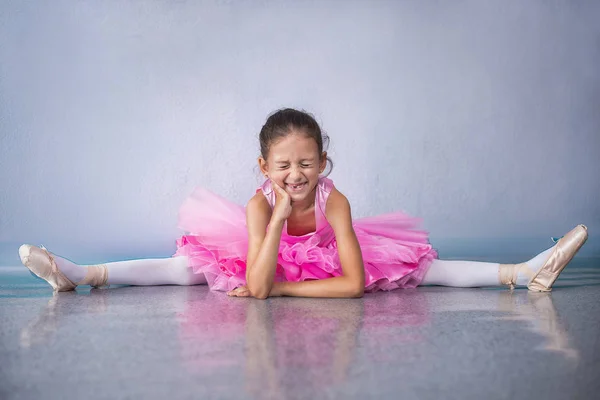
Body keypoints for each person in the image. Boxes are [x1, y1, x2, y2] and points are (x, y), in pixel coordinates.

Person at [18, 108, 588, 298]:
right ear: (265, 169)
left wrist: (290, 287)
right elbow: (256, 288)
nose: (297, 174)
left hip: (318, 267)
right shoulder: (258, 205)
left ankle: (525, 272)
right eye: (284, 166)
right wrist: (277, 224)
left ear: (324, 164)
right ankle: (78, 273)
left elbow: (353, 284)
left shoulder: (335, 203)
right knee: (183, 269)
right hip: (264, 253)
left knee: (425, 270)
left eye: (307, 164)